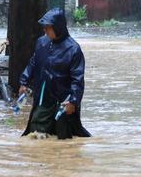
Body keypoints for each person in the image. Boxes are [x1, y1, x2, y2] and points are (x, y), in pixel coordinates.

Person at [19, 8, 91, 139]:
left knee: (64, 137)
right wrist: (24, 82)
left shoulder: (73, 49)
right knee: (36, 133)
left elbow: (77, 79)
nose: (45, 30)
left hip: (63, 102)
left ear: (58, 28)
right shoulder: (42, 43)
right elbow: (33, 63)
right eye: (44, 27)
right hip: (43, 98)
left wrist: (73, 102)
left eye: (48, 27)